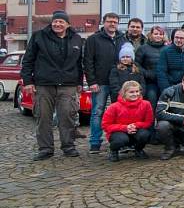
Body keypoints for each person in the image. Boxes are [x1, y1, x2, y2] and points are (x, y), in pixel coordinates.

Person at [22, 10, 84, 161]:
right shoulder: (39, 37)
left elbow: (79, 63)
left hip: (68, 84)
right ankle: (45, 148)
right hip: (44, 83)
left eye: (61, 22)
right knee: (43, 117)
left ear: (67, 24)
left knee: (67, 116)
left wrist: (79, 82)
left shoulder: (76, 39)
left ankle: (68, 146)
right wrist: (28, 81)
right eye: (55, 21)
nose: (57, 24)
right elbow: (28, 60)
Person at [84, 12, 127, 154]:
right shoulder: (94, 39)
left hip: (119, 82)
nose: (112, 24)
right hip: (100, 82)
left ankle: (118, 140)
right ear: (104, 22)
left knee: (120, 113)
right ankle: (95, 142)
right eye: (109, 21)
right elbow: (88, 61)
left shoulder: (122, 39)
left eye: (115, 21)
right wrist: (92, 81)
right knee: (97, 112)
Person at [101, 80, 153, 162]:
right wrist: (125, 127)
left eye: (137, 91)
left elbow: (148, 122)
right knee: (121, 140)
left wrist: (135, 125)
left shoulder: (146, 104)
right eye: (131, 92)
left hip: (136, 130)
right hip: (119, 132)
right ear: (124, 93)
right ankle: (114, 151)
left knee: (145, 134)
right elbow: (106, 125)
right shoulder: (114, 107)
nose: (135, 94)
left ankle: (138, 149)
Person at [136, 26, 167, 112]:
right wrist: (147, 73)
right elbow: (136, 64)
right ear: (151, 35)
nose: (158, 36)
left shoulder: (167, 48)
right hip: (149, 82)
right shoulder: (143, 48)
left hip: (164, 82)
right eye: (156, 34)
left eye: (161, 34)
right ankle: (150, 125)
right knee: (151, 106)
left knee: (164, 107)